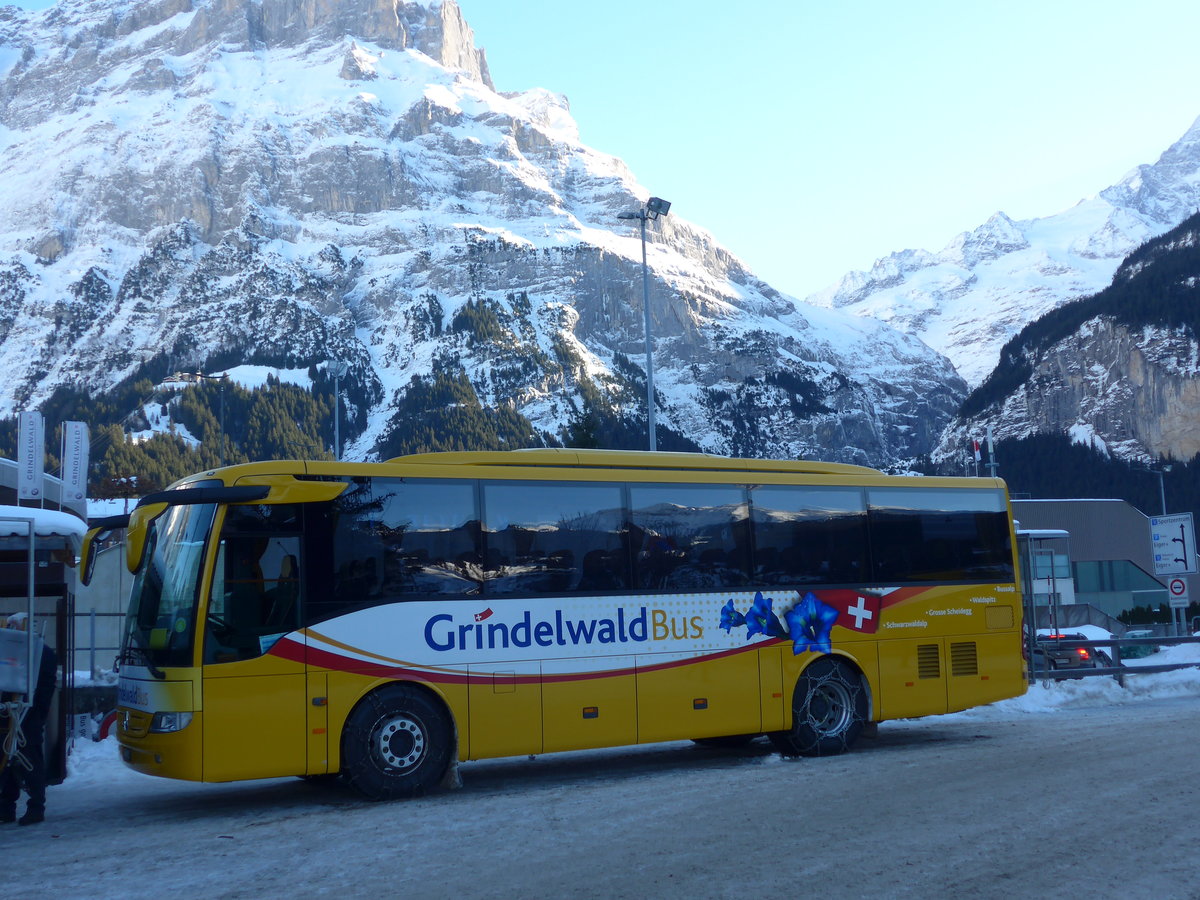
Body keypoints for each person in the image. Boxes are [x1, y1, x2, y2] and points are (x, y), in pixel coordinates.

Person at [0, 613, 57, 826]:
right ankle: (6, 807)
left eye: (13, 626)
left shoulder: (39, 651)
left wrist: (35, 715)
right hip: (11, 713)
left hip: (28, 715)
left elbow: (41, 688)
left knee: (29, 760)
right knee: (7, 760)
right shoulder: (20, 650)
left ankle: (36, 807)